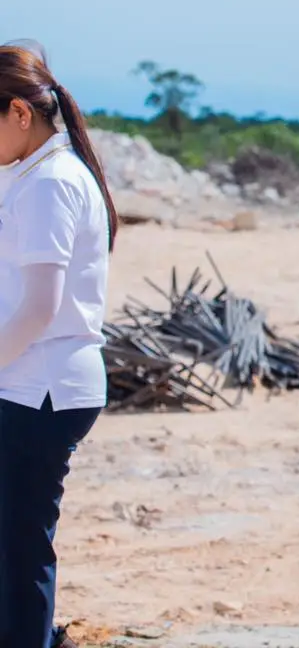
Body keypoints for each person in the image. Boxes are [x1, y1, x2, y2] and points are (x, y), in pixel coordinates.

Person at [0, 45, 119, 648]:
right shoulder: (40, 173)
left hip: (38, 387)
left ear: (20, 113)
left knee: (18, 549)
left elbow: (40, 306)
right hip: (35, 382)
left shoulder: (49, 182)